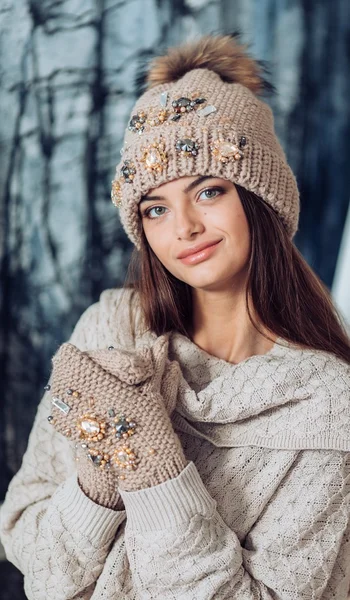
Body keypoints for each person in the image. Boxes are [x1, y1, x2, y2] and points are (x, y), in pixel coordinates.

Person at [1, 33, 350, 600]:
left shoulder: (327, 405)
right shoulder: (110, 332)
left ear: (259, 200)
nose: (182, 227)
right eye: (156, 208)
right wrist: (99, 480)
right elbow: (34, 552)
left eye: (208, 191)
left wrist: (150, 468)